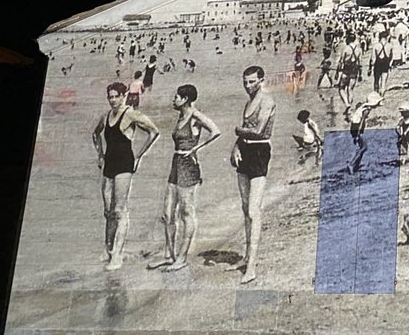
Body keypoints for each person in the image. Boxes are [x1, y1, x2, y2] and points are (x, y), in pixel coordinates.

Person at [148, 84, 220, 271]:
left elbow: (215, 130)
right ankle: (169, 255)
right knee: (167, 213)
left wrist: (195, 149)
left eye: (177, 97)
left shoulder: (195, 116)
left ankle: (182, 258)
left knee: (186, 212)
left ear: (185, 99)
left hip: (188, 167)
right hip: (176, 164)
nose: (173, 100)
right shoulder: (181, 115)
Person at [91, 82, 160, 270]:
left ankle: (118, 256)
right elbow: (95, 134)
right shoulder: (105, 117)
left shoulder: (130, 114)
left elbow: (154, 131)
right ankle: (108, 249)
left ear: (124, 95)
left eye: (116, 96)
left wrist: (139, 156)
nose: (113, 100)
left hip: (124, 165)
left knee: (120, 210)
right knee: (108, 212)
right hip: (109, 165)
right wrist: (100, 154)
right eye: (110, 96)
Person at [229, 66, 276, 284]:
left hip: (259, 152)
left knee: (253, 210)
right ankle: (247, 256)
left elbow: (257, 130)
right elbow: (246, 130)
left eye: (252, 82)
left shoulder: (267, 101)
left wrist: (239, 131)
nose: (248, 86)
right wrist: (236, 146)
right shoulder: (248, 102)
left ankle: (252, 267)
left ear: (261, 80)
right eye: (245, 82)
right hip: (245, 150)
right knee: (244, 207)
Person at [345, 90, 384, 173]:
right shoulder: (366, 110)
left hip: (354, 127)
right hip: (357, 128)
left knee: (362, 147)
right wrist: (359, 134)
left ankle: (356, 165)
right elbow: (362, 121)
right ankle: (351, 164)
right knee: (364, 147)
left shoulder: (363, 106)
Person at [336, 33, 363, 107]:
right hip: (354, 70)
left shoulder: (345, 48)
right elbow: (360, 63)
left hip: (346, 70)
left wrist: (337, 72)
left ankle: (346, 103)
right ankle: (350, 105)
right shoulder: (359, 49)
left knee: (341, 88)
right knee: (350, 89)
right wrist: (360, 74)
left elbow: (341, 61)